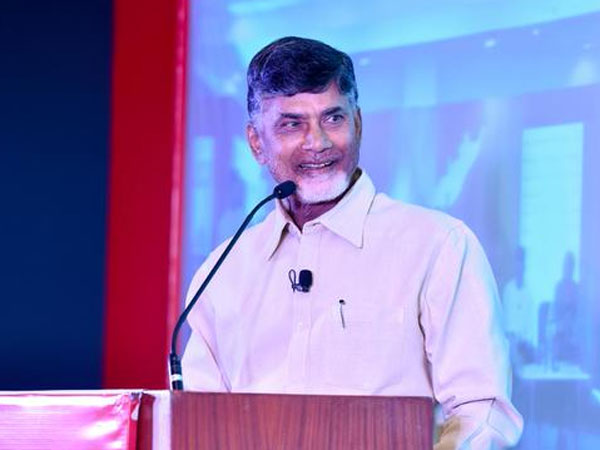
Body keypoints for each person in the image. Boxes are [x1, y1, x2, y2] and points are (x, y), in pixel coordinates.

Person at [182, 36, 523, 449]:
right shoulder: (224, 270)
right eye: (292, 124)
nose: (318, 142)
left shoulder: (439, 247)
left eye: (333, 118)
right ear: (256, 142)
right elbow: (197, 421)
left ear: (357, 124)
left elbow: (482, 411)